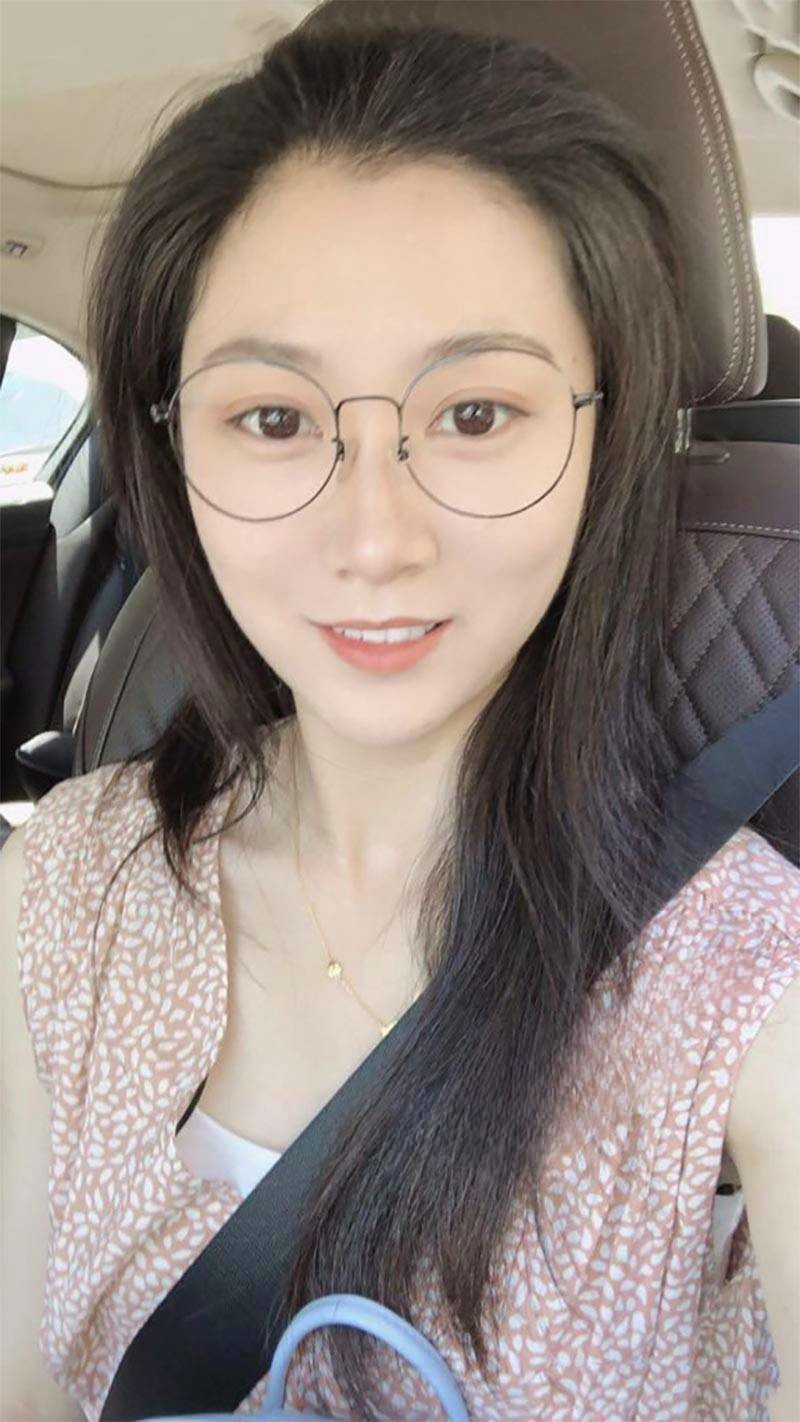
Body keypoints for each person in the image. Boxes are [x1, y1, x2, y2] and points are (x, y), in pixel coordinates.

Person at [3, 12, 799, 1422]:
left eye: (477, 414)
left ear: (603, 436)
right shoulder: (64, 889)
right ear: (170, 447)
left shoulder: (747, 979)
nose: (374, 539)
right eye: (273, 419)